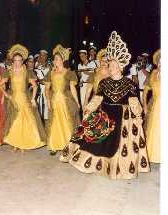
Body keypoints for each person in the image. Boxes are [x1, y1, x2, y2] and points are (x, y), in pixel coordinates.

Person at [60, 31, 150, 179]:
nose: (111, 67)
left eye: (114, 65)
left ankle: (117, 168)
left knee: (116, 145)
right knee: (93, 139)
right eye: (110, 64)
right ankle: (95, 164)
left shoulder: (129, 83)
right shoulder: (104, 82)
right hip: (106, 114)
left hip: (123, 117)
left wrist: (138, 115)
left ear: (121, 67)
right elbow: (97, 98)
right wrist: (89, 109)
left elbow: (134, 101)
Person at [0, 44, 46, 151]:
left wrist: (33, 99)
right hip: (14, 98)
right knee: (14, 120)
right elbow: (0, 84)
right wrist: (7, 95)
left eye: (19, 60)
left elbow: (35, 86)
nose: (17, 62)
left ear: (22, 61)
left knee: (24, 120)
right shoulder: (9, 71)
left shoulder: (27, 71)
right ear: (12, 61)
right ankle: (16, 143)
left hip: (24, 98)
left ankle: (23, 143)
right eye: (15, 60)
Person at [44, 44, 80, 155]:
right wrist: (48, 101)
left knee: (67, 122)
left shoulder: (69, 72)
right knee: (54, 122)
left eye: (59, 59)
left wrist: (78, 102)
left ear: (63, 60)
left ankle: (67, 146)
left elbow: (73, 88)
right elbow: (46, 89)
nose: (56, 61)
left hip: (66, 101)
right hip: (54, 100)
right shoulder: (50, 73)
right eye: (55, 59)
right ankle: (54, 145)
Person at [143, 49, 160, 163]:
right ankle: (153, 155)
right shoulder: (153, 74)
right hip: (154, 106)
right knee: (152, 130)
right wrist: (144, 104)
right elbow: (145, 90)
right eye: (159, 62)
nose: (161, 65)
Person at [34, 49, 51, 122]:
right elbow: (34, 77)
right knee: (40, 107)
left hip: (48, 89)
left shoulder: (50, 66)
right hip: (40, 90)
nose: (42, 57)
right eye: (41, 55)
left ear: (46, 56)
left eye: (44, 55)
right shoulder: (36, 66)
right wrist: (39, 81)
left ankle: (47, 123)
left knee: (48, 106)